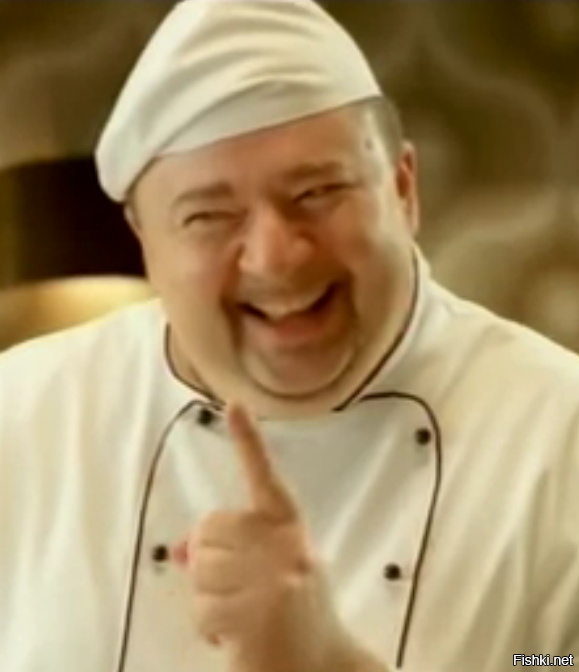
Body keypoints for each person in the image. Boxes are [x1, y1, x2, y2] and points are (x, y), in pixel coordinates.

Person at [1, 1, 578, 671]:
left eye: (317, 193)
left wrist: (325, 662)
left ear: (403, 189)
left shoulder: (558, 434)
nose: (275, 257)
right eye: (209, 216)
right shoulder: (22, 413)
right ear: (143, 239)